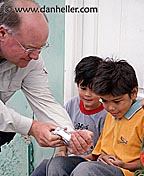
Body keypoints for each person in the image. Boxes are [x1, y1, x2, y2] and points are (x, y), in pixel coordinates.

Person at [3, 56, 107, 176]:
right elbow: (61, 128)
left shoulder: (105, 115)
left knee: (56, 171)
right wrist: (62, 150)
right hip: (68, 155)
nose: (88, 94)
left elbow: (100, 150)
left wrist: (81, 156)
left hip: (87, 161)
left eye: (95, 90)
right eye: (84, 88)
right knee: (44, 166)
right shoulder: (73, 105)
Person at [0, 0, 93, 154]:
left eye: (40, 48)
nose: (36, 56)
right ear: (2, 33)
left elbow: (45, 102)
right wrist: (33, 127)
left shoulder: (31, 60)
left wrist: (70, 135)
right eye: (29, 48)